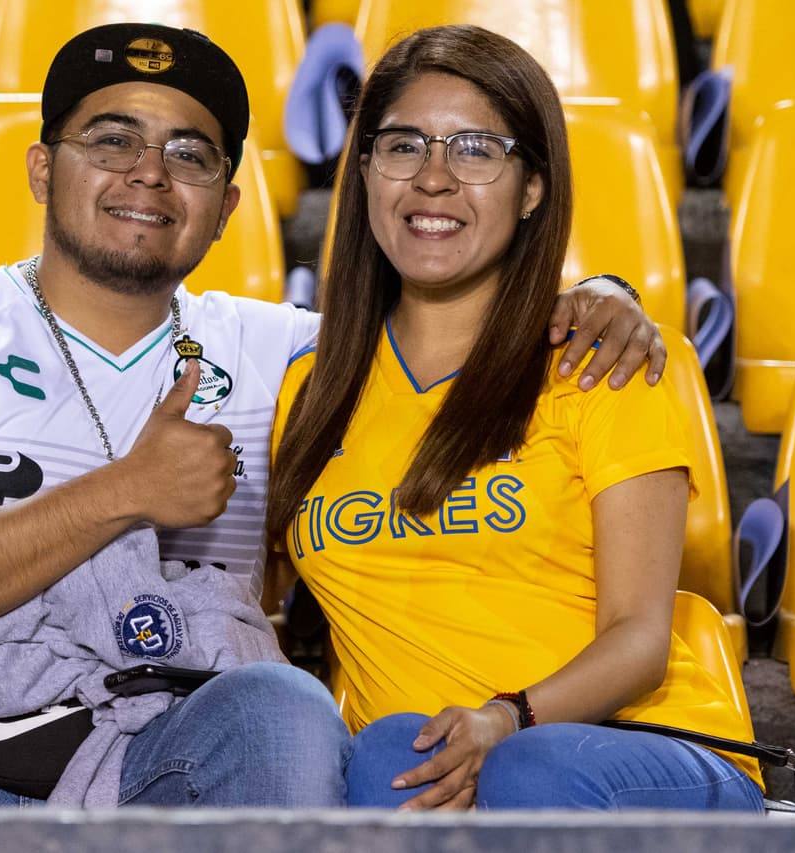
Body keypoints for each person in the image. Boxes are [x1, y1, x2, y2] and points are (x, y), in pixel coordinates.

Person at [0, 23, 662, 809]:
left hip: (162, 759)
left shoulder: (296, 356)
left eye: (189, 154)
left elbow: (454, 319)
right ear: (43, 170)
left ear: (226, 206)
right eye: (111, 138)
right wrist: (125, 494)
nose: (148, 174)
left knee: (282, 707)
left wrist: (599, 293)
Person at [267, 25, 765, 812]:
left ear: (532, 186)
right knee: (388, 754)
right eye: (402, 146)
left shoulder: (603, 360)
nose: (433, 178)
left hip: (634, 749)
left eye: (475, 150)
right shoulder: (305, 386)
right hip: (429, 761)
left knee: (527, 771)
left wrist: (506, 720)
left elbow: (638, 640)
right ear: (364, 172)